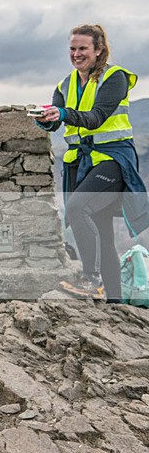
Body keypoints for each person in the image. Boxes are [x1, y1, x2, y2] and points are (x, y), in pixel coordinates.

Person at [34, 24, 149, 302]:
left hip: (112, 159)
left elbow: (96, 118)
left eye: (83, 48)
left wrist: (63, 113)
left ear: (98, 50)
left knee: (77, 208)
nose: (76, 54)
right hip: (81, 162)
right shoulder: (64, 85)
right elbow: (58, 122)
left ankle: (91, 280)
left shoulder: (114, 77)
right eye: (72, 48)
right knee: (103, 232)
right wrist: (45, 119)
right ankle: (115, 303)